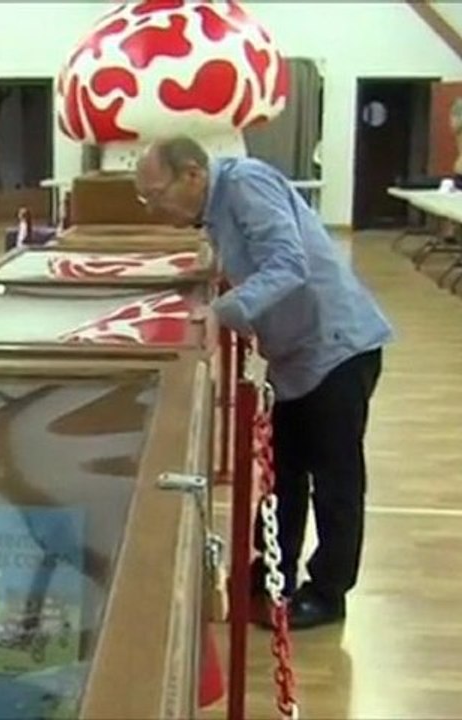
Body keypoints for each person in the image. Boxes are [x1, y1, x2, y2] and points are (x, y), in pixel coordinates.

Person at [135, 135, 393, 629]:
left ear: (192, 173)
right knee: (283, 473)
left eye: (157, 194)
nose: (154, 208)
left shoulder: (245, 182)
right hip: (293, 353)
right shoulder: (212, 208)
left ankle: (329, 591)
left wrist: (219, 312)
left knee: (335, 480)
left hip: (336, 346)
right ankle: (273, 571)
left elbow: (287, 265)